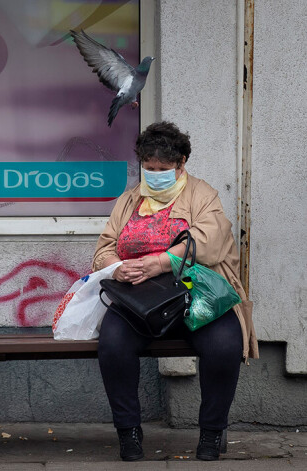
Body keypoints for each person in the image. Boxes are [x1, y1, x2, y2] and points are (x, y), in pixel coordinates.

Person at [92, 121, 257, 461]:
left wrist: (162, 262)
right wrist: (116, 266)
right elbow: (103, 248)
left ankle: (212, 433)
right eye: (148, 168)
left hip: (194, 297)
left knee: (225, 345)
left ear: (181, 163)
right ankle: (129, 432)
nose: (154, 175)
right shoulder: (129, 199)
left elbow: (210, 243)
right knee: (113, 344)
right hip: (138, 301)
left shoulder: (202, 194)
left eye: (163, 169)